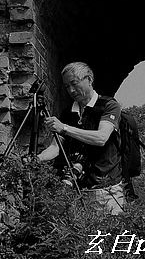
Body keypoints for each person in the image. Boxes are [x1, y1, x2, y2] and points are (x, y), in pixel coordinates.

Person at [36, 61, 126, 215]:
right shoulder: (68, 113)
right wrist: (37, 159)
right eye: (67, 86)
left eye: (74, 83)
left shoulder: (108, 106)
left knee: (108, 230)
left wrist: (65, 128)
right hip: (76, 189)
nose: (71, 90)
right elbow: (55, 148)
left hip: (106, 190)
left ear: (89, 79)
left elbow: (101, 138)